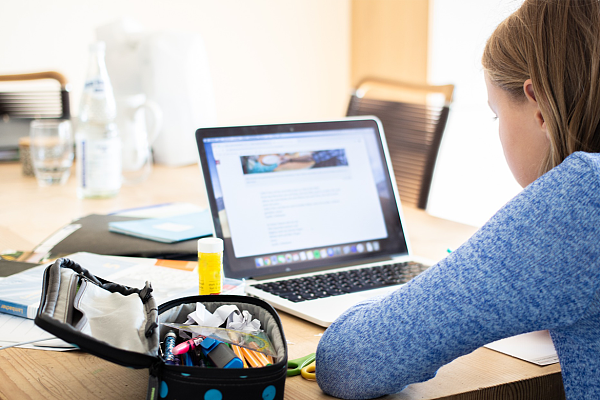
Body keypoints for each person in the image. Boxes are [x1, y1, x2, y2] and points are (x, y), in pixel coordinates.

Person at [315, 0, 600, 399]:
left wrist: (421, 299)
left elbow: (348, 363)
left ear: (539, 106)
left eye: (496, 115)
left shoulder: (582, 195)